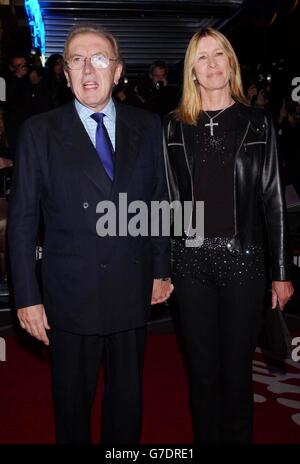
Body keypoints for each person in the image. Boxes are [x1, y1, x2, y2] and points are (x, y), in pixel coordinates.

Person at [8, 24, 173, 444]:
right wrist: (27, 296)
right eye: (77, 59)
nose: (88, 69)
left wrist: (161, 268)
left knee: (127, 403)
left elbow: (158, 202)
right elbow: (23, 221)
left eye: (99, 58)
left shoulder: (148, 125)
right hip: (69, 296)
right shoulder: (39, 131)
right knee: (71, 405)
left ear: (118, 71)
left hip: (130, 288)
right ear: (65, 74)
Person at [163, 27, 293, 444]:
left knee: (237, 377)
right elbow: (167, 200)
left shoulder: (258, 122)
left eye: (219, 54)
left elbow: (273, 199)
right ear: (192, 71)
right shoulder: (173, 127)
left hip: (245, 261)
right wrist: (162, 267)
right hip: (191, 263)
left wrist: (280, 271)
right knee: (202, 375)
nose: (212, 64)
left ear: (231, 63)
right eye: (202, 57)